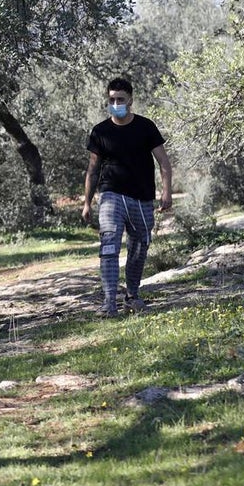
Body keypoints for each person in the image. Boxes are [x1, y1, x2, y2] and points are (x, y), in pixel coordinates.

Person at [81, 77, 172, 315]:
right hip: (110, 194)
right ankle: (109, 302)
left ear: (130, 100)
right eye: (112, 99)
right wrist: (87, 203)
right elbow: (92, 170)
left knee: (140, 246)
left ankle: (132, 295)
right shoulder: (100, 131)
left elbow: (163, 162)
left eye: (120, 99)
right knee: (109, 244)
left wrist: (166, 192)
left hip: (141, 198)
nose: (116, 103)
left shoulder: (145, 127)